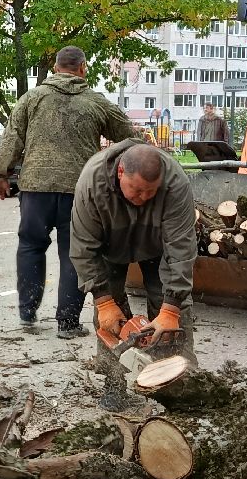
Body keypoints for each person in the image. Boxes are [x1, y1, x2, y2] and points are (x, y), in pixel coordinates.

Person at [0, 46, 135, 338]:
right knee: (75, 255)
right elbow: (128, 137)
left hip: (35, 188)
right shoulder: (97, 103)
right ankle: (67, 323)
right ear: (83, 69)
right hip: (80, 192)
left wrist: (0, 174)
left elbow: (12, 136)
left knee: (31, 246)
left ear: (56, 69)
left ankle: (27, 313)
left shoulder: (32, 98)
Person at [69, 141, 199, 362]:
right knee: (110, 316)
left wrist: (171, 310)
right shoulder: (92, 183)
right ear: (120, 172)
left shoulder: (175, 183)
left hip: (158, 249)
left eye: (151, 191)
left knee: (172, 315)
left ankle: (182, 378)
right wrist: (103, 302)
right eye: (137, 190)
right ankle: (113, 380)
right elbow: (83, 247)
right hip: (109, 248)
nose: (144, 197)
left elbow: (181, 248)